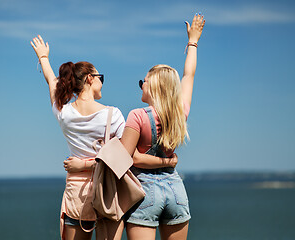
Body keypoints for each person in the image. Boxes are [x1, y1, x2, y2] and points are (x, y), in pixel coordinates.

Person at [30, 36, 178, 240]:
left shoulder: (64, 112)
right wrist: (168, 160)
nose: (102, 82)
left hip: (76, 193)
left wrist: (44, 57)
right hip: (108, 192)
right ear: (90, 78)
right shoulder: (112, 114)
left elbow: (51, 80)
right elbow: (123, 158)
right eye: (101, 77)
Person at [120, 13, 205, 240]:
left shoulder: (137, 116)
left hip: (144, 192)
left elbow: (127, 159)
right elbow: (189, 74)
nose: (141, 87)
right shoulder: (180, 114)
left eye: (143, 83)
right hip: (176, 190)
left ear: (155, 87)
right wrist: (193, 41)